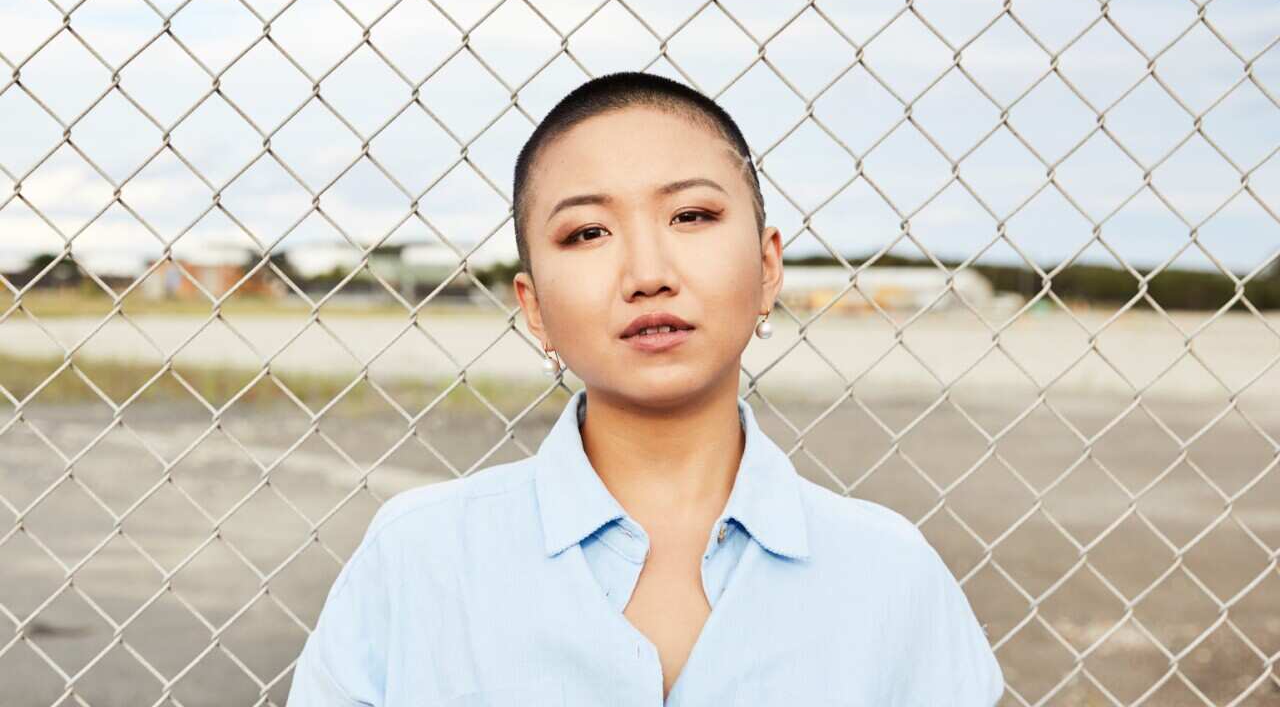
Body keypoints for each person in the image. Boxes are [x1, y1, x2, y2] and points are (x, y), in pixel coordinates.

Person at [285, 71, 1004, 706]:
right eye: (588, 233)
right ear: (534, 307)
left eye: (691, 216)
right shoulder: (418, 561)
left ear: (767, 266)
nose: (648, 271)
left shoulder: (888, 572)